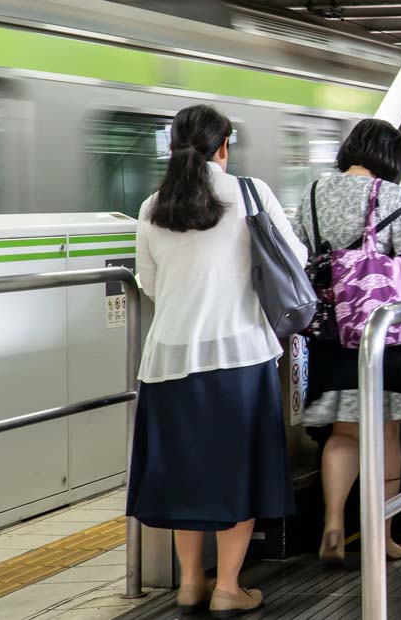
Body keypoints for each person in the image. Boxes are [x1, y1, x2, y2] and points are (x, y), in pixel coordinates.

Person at [128, 104, 303, 616]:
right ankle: (228, 585)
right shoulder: (249, 194)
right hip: (240, 356)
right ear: (224, 145)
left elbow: (150, 283)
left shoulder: (151, 206)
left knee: (189, 474)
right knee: (237, 474)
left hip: (169, 360)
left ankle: (190, 583)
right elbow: (291, 259)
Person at [292, 119, 401, 565]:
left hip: (331, 333)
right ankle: (381, 534)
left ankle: (333, 521)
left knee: (342, 432)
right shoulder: (390, 195)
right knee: (387, 433)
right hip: (381, 334)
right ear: (388, 158)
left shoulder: (314, 192)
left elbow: (298, 254)